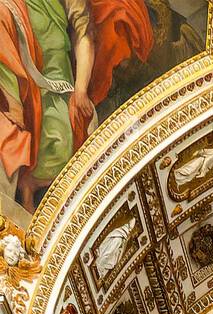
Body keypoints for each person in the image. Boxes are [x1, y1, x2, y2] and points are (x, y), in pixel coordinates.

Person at [0, 0, 154, 212]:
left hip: (56, 81)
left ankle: (36, 206)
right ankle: (23, 202)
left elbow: (83, 33)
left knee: (60, 143)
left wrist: (80, 89)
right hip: (20, 75)